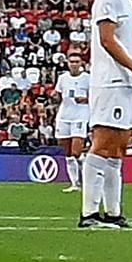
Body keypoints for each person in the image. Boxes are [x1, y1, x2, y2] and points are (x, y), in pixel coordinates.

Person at [81, 0, 132, 230]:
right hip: (112, 81)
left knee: (120, 147)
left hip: (124, 82)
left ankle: (113, 212)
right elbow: (107, 39)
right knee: (104, 144)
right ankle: (89, 214)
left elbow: (124, 37)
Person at [53, 64, 94, 219]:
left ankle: (88, 171)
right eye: (72, 62)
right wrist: (54, 96)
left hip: (80, 116)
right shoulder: (63, 78)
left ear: (80, 65)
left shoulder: (87, 78)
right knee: (68, 152)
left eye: (77, 62)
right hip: (64, 116)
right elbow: (57, 94)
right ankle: (75, 184)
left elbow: (96, 95)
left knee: (76, 152)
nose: (74, 65)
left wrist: (86, 99)